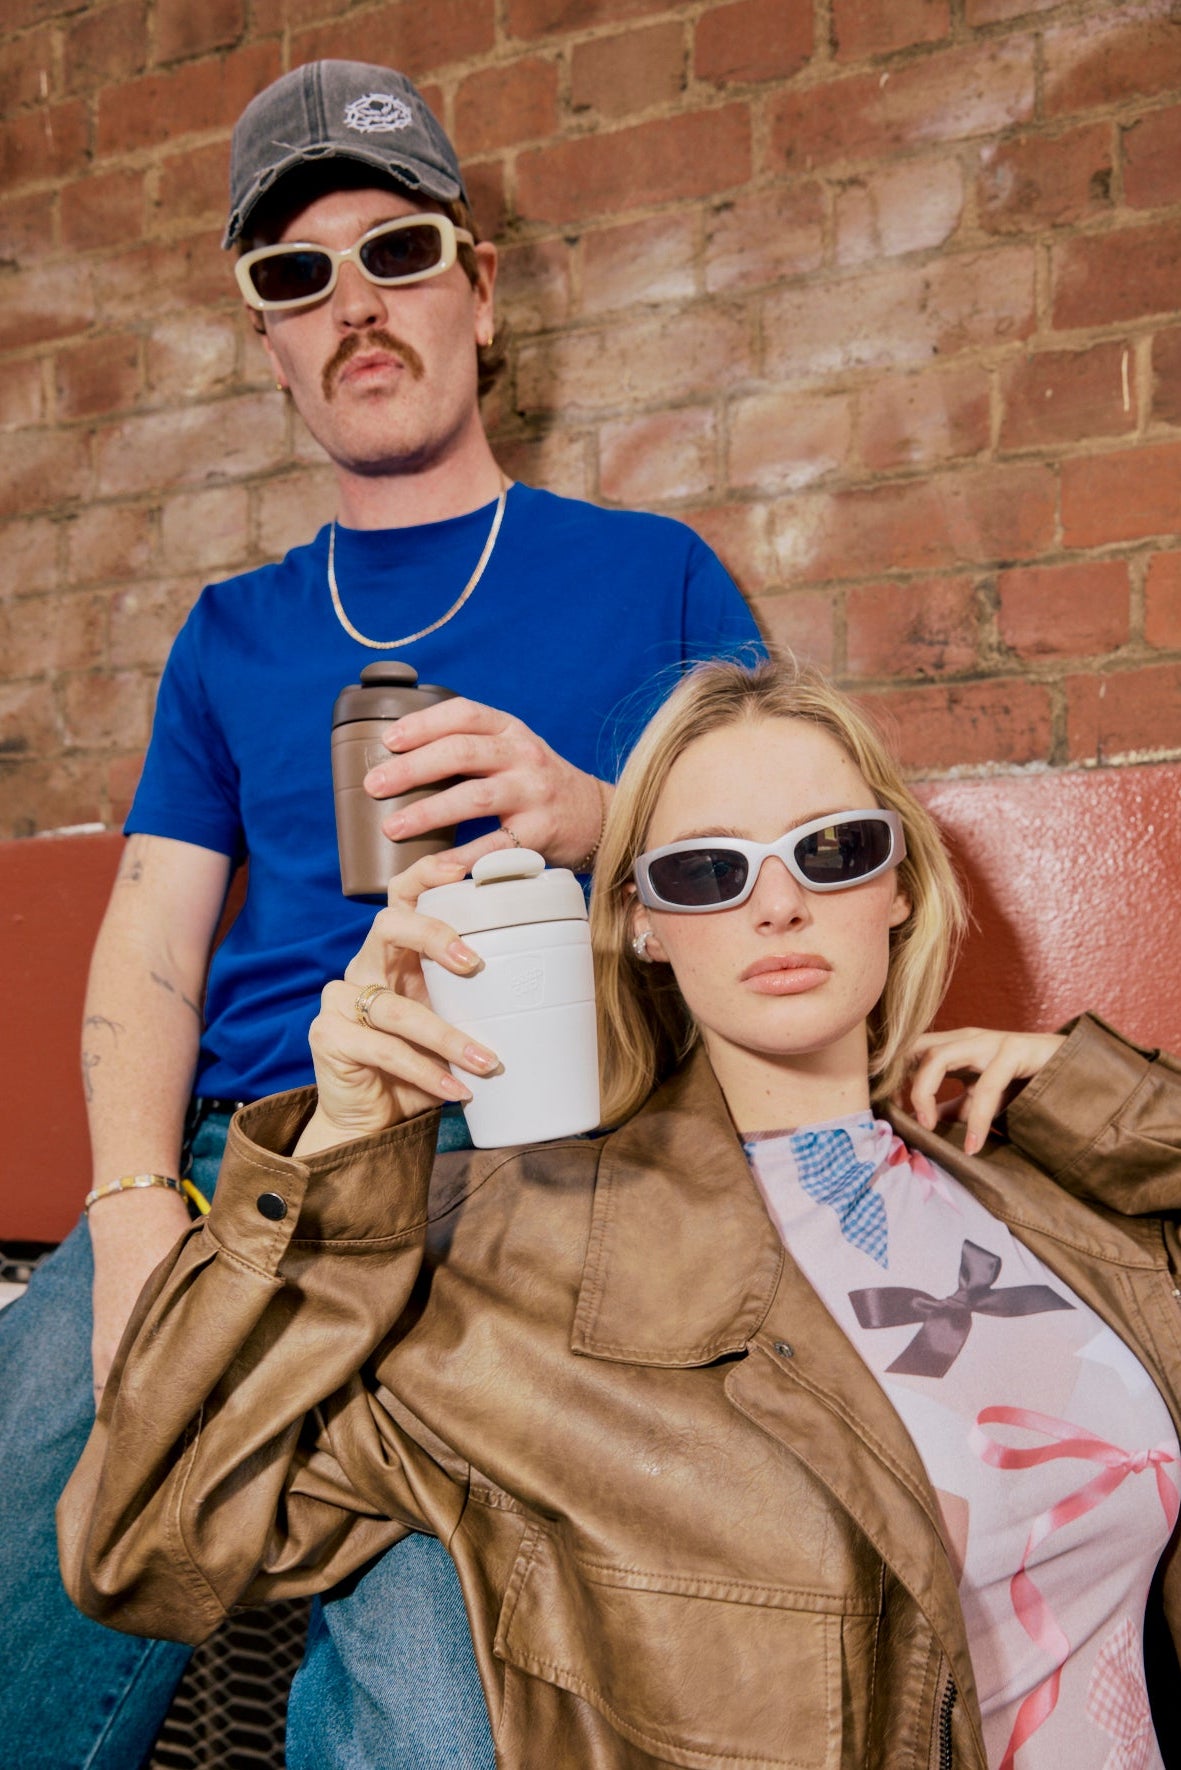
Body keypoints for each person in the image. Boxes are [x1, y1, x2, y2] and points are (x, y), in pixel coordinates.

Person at [0, 58, 761, 1770]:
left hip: (539, 1176)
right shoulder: (233, 633)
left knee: (434, 1719)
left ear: (480, 294)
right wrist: (129, 1222)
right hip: (247, 1170)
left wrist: (586, 807)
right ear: (267, 344)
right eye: (295, 274)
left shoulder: (654, 576)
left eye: (397, 251)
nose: (351, 302)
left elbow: (790, 878)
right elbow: (146, 943)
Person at [60, 656, 1181, 1770]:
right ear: (642, 919)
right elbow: (143, 1542)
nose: (779, 903)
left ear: (898, 886)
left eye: (831, 851)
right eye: (707, 872)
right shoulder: (513, 1254)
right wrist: (343, 1165)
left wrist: (1111, 1105)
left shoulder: (1041, 1183)